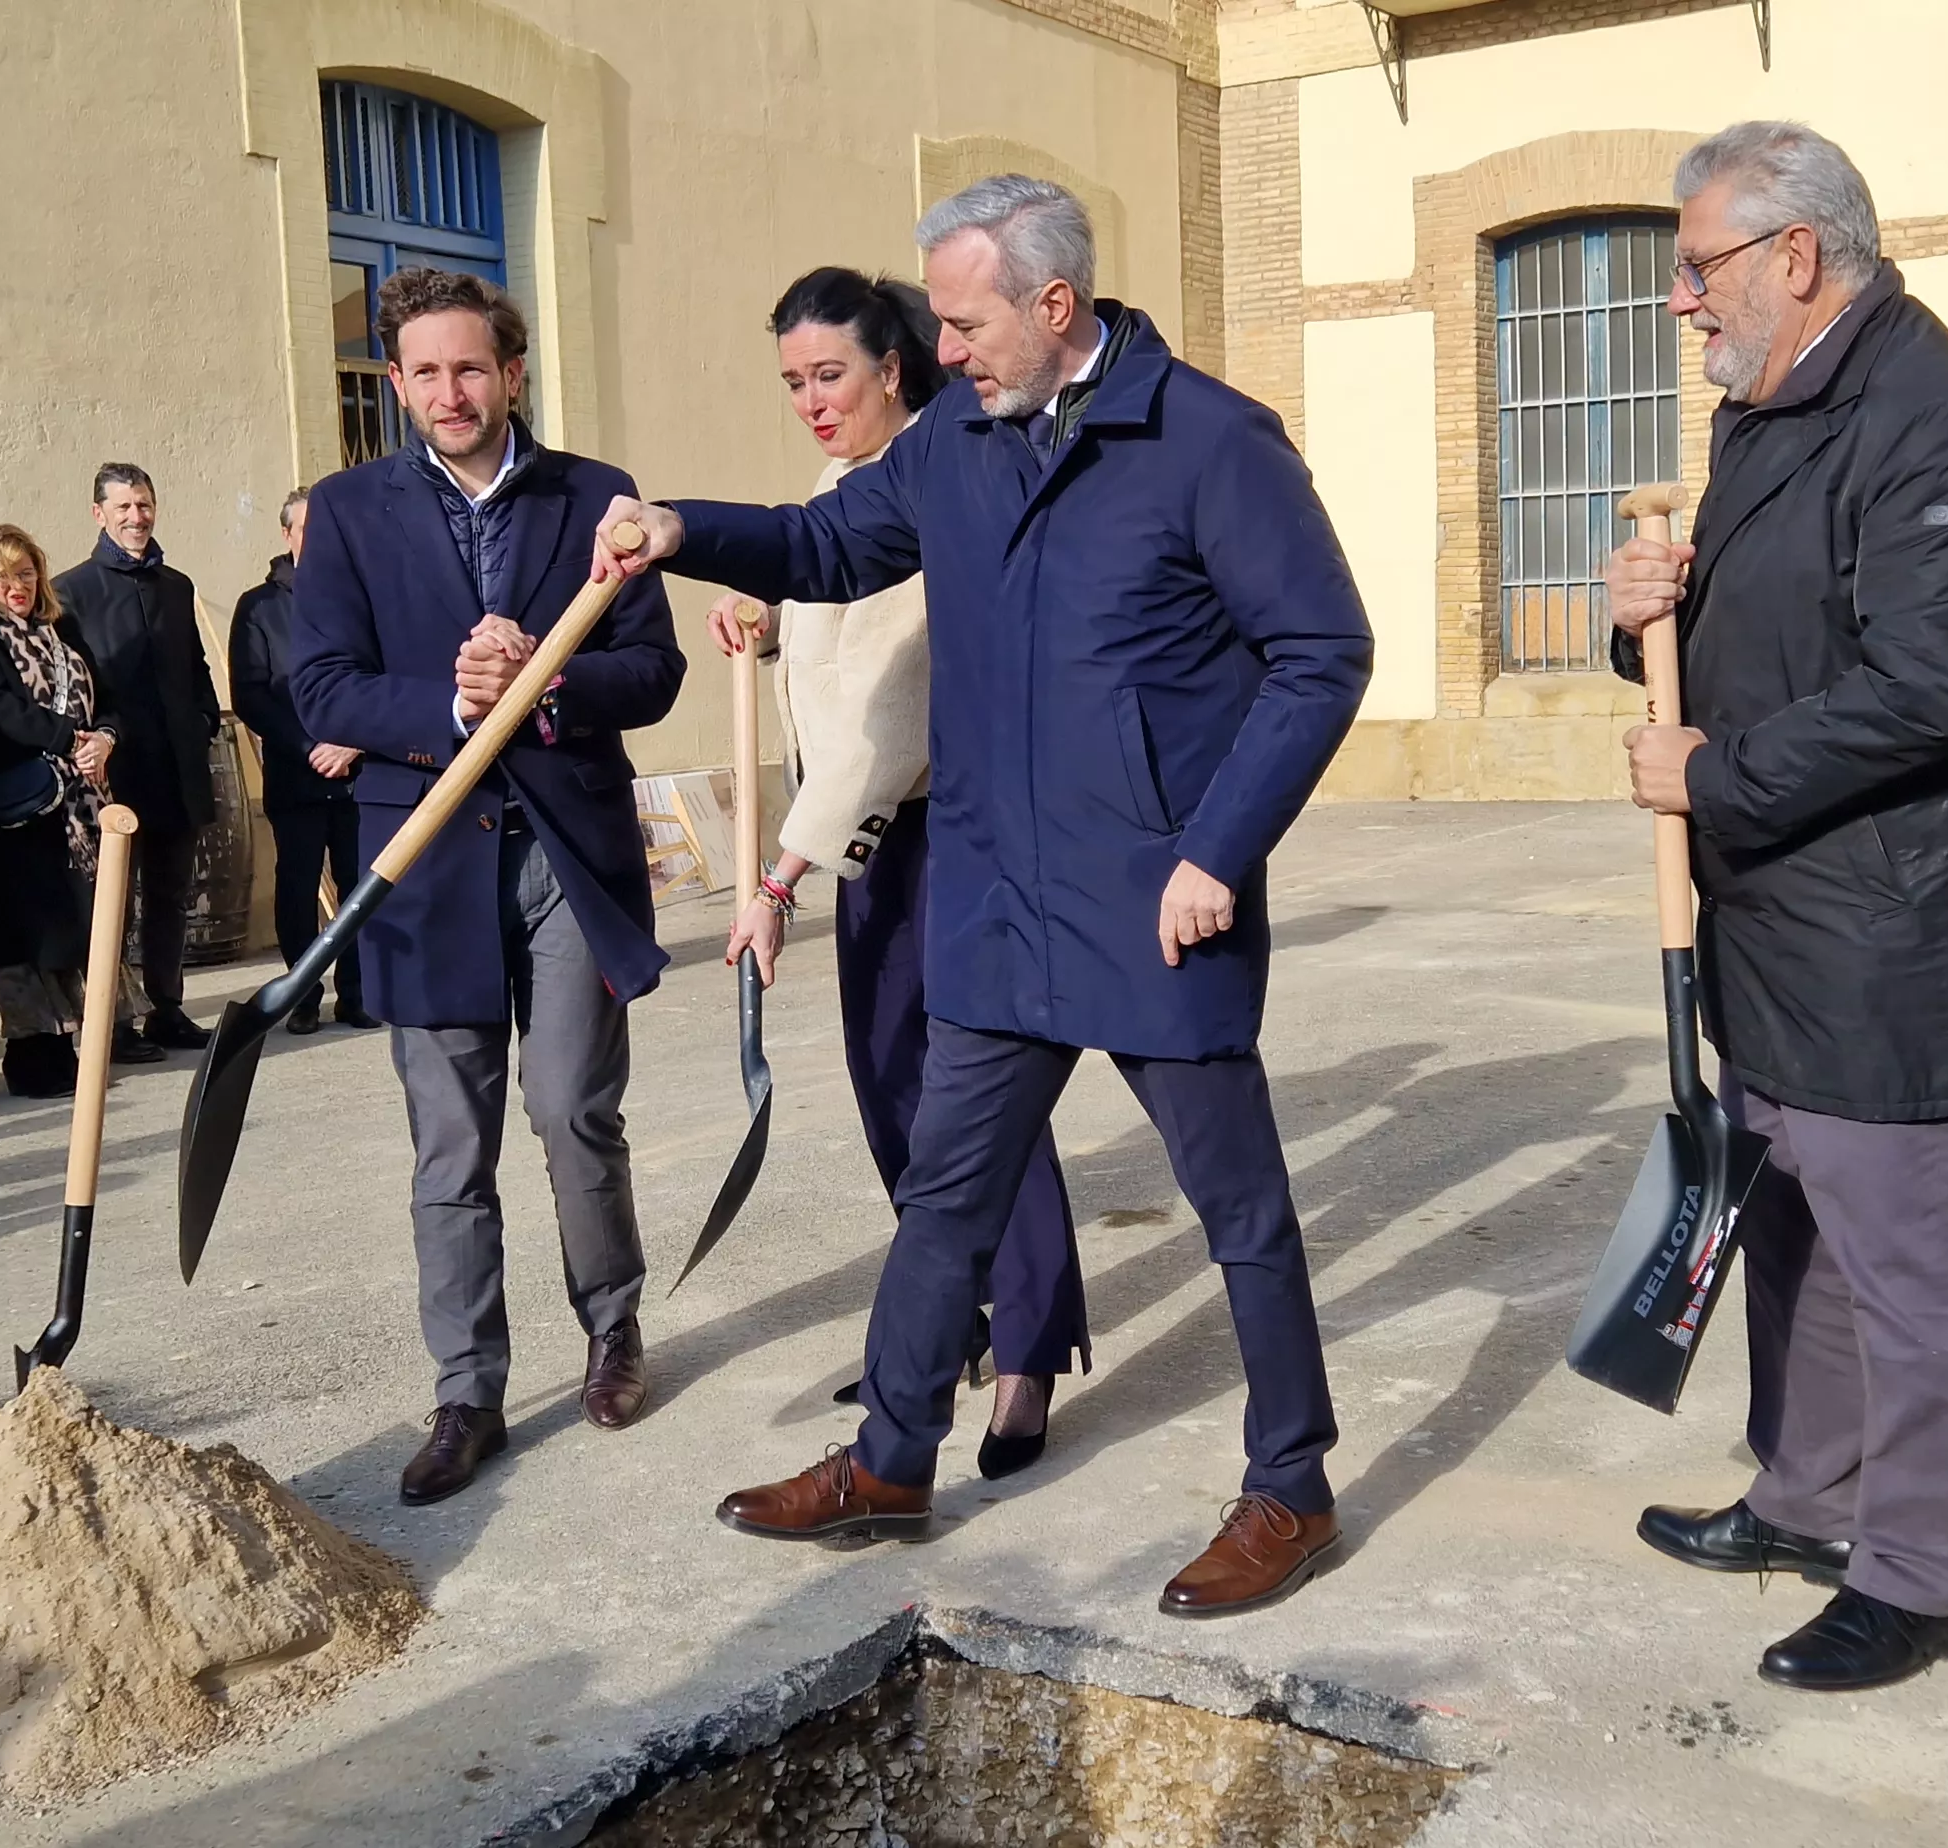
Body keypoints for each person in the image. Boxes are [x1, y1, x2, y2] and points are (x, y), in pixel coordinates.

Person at [606, 175, 1371, 1618]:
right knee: (948, 1199)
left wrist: (1217, 850)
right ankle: (893, 1460)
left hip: (1157, 902)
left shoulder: (1209, 442)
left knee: (1241, 1212)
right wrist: (678, 528)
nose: (939, 350)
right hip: (1000, 903)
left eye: (962, 322)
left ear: (1054, 305)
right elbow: (830, 545)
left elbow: (1323, 652)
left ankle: (1293, 1488)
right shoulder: (961, 437)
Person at [1604, 123, 1948, 1691]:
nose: (1683, 301)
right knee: (1791, 1234)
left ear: (1796, 257)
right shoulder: (1773, 405)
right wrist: (1649, 629)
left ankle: (1921, 1569)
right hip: (1785, 913)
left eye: (1700, 267)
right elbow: (1765, 638)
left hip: (1900, 926)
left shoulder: (1945, 428)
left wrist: (1709, 771)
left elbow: (1926, 694)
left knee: (1911, 1268)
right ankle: (1806, 1500)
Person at [292, 265, 686, 1507]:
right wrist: (457, 701)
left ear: (513, 373)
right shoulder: (351, 513)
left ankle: (611, 1329)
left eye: (471, 368)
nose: (449, 392)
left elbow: (654, 669)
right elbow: (321, 688)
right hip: (422, 857)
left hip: (567, 850)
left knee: (572, 1106)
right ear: (396, 384)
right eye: (424, 372)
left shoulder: (596, 499)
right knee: (447, 1146)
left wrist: (544, 682)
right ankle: (468, 1390)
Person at [707, 265, 1088, 1475]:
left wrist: (774, 881)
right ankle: (949, 1324)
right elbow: (828, 639)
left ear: (894, 365)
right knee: (893, 1090)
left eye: (831, 376)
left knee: (982, 1103)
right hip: (871, 843)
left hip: (954, 836)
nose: (812, 402)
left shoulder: (941, 478)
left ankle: (1027, 1351)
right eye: (793, 383)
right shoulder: (839, 487)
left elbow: (887, 716)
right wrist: (773, 620)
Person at [0, 523, 126, 1097]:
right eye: (1, 574)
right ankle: (29, 1050)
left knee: (72, 925)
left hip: (78, 807)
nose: (16, 585)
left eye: (25, 573)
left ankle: (72, 1042)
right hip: (15, 806)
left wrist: (107, 737)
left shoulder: (59, 629)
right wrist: (74, 740)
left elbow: (109, 697)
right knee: (24, 932)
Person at [54, 463, 218, 1058]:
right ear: (99, 514)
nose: (135, 517)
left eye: (144, 505)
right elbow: (70, 685)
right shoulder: (71, 590)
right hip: (115, 774)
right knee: (112, 902)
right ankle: (112, 1020)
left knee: (172, 894)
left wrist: (203, 721)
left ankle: (166, 1009)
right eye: (122, 507)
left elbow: (197, 670)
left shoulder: (176, 586)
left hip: (178, 768)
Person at [226, 486, 371, 1034]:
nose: (317, 537)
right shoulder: (258, 607)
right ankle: (303, 994)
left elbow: (378, 678)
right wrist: (310, 747)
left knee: (361, 889)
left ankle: (357, 994)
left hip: (360, 772)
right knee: (297, 887)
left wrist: (353, 743)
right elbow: (252, 694)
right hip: (298, 772)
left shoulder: (361, 593)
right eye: (305, 527)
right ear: (286, 535)